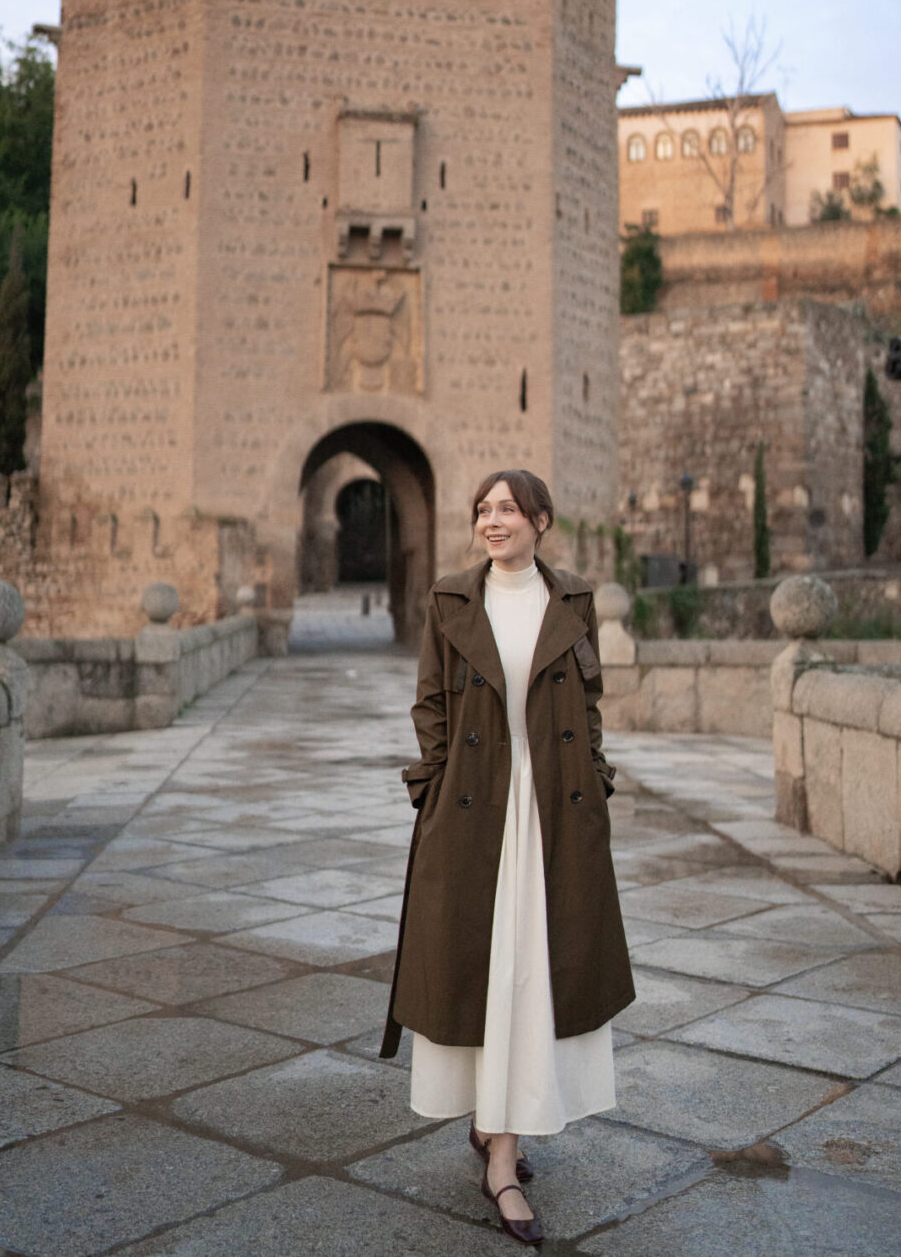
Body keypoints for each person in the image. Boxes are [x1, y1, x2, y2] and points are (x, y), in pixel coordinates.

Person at [381, 469, 634, 1245]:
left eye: (508, 510)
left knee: (536, 970)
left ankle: (505, 1144)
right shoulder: (454, 598)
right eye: (484, 511)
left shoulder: (572, 601)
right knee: (480, 969)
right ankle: (498, 1147)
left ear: (541, 520)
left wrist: (592, 774)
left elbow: (586, 702)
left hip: (554, 808)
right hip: (474, 806)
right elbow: (430, 699)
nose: (494, 522)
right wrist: (435, 778)